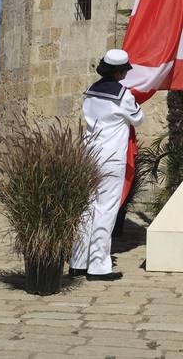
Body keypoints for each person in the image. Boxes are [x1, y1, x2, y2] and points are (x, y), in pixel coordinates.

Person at [69, 48, 144, 281]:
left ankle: (77, 261)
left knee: (86, 209)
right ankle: (99, 266)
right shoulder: (123, 94)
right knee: (106, 210)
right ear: (120, 71)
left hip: (89, 154)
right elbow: (139, 118)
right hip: (111, 158)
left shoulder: (90, 92)